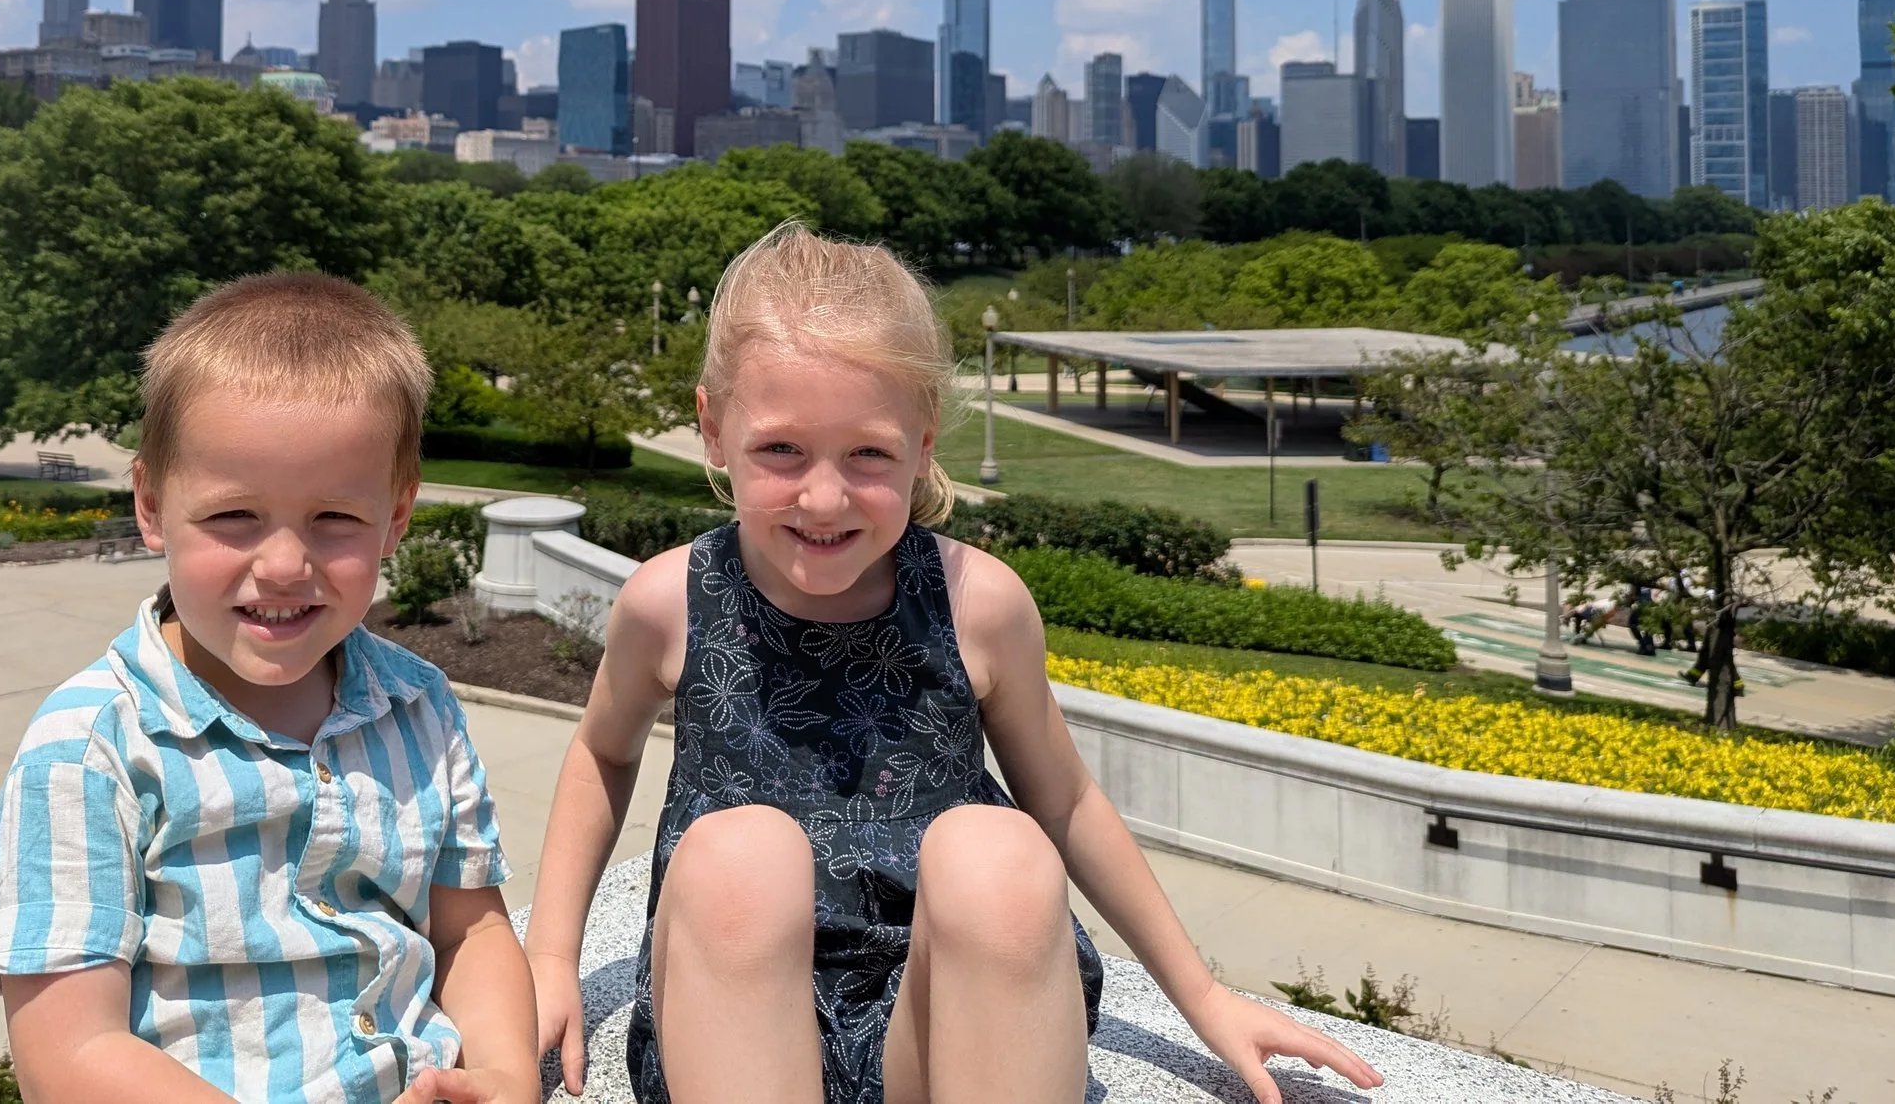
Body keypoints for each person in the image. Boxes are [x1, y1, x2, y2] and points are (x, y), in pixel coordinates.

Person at [526, 223, 1383, 1104]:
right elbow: (602, 751)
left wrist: (1202, 997)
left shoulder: (979, 603)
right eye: (780, 449)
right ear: (713, 430)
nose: (824, 497)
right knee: (738, 854)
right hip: (734, 1016)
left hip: (941, 1019)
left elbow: (1068, 799)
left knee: (999, 849)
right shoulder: (672, 601)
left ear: (924, 442)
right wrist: (551, 958)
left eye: (869, 453)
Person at [0, 274, 532, 1104]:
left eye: (336, 519)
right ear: (152, 505)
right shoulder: (92, 749)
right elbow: (69, 1052)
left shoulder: (421, 708)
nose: (285, 565)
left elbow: (468, 926)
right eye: (235, 517)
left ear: (397, 516)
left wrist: (507, 1073)